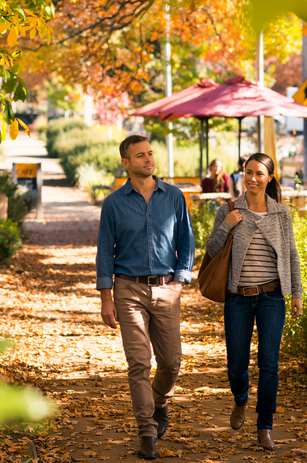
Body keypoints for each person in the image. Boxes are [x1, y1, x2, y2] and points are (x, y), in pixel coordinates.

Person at [96, 135, 195, 460]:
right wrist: (106, 297)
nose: (148, 159)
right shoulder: (113, 204)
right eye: (140, 156)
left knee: (171, 362)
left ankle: (160, 400)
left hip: (167, 287)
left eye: (150, 153)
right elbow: (104, 254)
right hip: (128, 289)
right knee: (139, 363)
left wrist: (179, 282)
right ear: (126, 163)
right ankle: (147, 433)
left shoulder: (175, 197)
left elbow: (187, 243)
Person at [204, 152, 303, 451]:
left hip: (272, 297)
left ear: (270, 177)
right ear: (242, 175)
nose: (252, 178)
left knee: (269, 364)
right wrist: (227, 225)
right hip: (237, 299)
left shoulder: (281, 213)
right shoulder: (230, 209)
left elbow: (291, 255)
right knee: (236, 365)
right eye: (248, 172)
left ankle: (265, 426)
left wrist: (296, 293)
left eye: (259, 173)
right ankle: (241, 400)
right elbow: (210, 249)